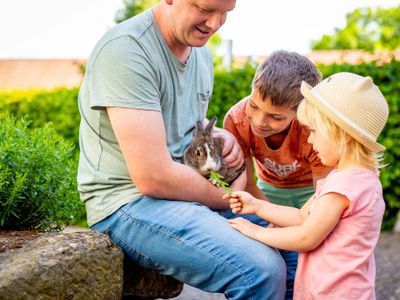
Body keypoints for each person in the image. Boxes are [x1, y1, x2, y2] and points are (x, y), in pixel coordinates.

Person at [77, 0, 286, 299]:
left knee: (291, 239)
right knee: (261, 271)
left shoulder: (201, 54)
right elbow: (154, 177)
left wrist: (218, 134)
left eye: (225, 13)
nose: (214, 24)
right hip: (129, 204)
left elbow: (183, 128)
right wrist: (232, 199)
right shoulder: (126, 51)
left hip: (184, 196)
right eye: (204, 8)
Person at [226, 72, 389, 299]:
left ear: (343, 135)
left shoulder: (344, 186)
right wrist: (256, 206)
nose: (310, 140)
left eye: (313, 131)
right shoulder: (351, 178)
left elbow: (306, 237)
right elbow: (303, 217)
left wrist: (255, 231)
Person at [223, 50, 332, 299]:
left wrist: (288, 220)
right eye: (254, 105)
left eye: (275, 117)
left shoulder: (313, 129)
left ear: (301, 112)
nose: (259, 121)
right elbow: (246, 183)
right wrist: (269, 210)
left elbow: (322, 194)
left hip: (310, 194)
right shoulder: (238, 119)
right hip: (265, 192)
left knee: (302, 262)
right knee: (272, 258)